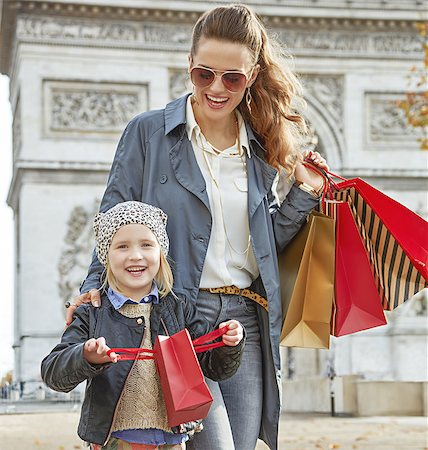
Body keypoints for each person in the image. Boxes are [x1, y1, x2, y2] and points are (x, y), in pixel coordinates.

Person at [66, 4, 329, 449]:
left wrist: (304, 194)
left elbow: (264, 247)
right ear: (190, 67)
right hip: (177, 316)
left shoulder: (262, 146)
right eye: (205, 74)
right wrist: (93, 288)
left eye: (233, 78)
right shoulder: (147, 133)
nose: (217, 88)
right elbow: (113, 220)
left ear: (252, 77)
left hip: (244, 324)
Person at [42, 201, 245, 449]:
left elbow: (214, 368)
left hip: (173, 440)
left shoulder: (178, 308)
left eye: (146, 244)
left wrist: (229, 344)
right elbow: (52, 372)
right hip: (116, 441)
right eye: (122, 246)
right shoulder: (91, 314)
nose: (135, 255)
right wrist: (85, 356)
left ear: (160, 252)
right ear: (106, 256)